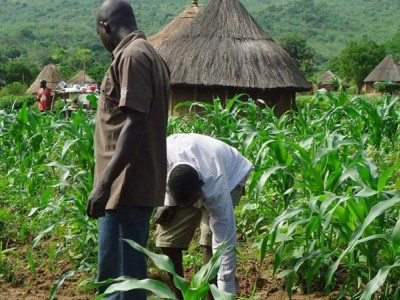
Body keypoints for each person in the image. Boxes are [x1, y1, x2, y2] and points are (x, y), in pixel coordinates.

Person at [86, 1, 170, 299]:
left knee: (119, 280)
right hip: (128, 184)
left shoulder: (133, 56)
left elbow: (135, 122)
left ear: (105, 26)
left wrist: (104, 183)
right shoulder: (148, 54)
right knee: (124, 275)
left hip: (124, 186)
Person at [155, 133, 254, 298]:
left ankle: (213, 296)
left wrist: (226, 294)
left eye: (191, 202)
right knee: (167, 239)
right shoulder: (162, 158)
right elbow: (164, 182)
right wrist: (168, 204)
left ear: (200, 187)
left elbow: (225, 245)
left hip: (231, 175)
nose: (190, 207)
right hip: (183, 167)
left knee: (210, 244)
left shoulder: (216, 187)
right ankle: (180, 297)